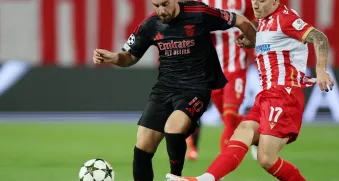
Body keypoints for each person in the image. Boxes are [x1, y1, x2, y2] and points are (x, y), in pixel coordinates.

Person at [166, 0, 334, 180]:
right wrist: (251, 39)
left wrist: (321, 70)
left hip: (284, 96)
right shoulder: (264, 20)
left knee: (266, 158)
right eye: (254, 0)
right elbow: (271, 39)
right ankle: (204, 179)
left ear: (275, 1)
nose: (255, 5)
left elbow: (319, 37)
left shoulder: (285, 19)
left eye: (261, 1)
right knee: (242, 131)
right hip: (266, 96)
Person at [92, 0, 257, 180]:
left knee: (173, 127)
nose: (161, 10)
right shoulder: (150, 24)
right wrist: (114, 57)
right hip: (164, 88)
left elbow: (239, 19)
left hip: (196, 87)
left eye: (165, 4)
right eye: (156, 6)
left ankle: (175, 177)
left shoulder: (199, 12)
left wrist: (253, 42)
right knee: (142, 144)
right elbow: (130, 56)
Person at [185, 0, 257, 161]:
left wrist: (251, 37)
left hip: (237, 66)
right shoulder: (202, 3)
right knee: (226, 117)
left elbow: (256, 21)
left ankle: (219, 172)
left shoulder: (244, 2)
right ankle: (256, 133)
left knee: (230, 117)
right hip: (212, 69)